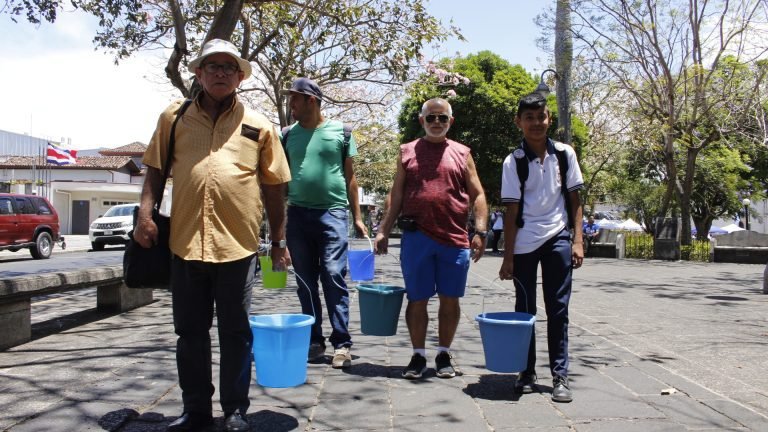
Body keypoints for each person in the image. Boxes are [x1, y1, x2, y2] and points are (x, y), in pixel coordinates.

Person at [134, 39, 291, 432]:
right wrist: (144, 215)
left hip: (237, 246)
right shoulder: (174, 117)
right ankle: (195, 410)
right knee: (190, 333)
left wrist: (279, 242)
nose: (220, 73)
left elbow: (275, 187)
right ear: (199, 73)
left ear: (240, 76)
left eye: (228, 67)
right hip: (185, 243)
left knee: (236, 332)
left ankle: (235, 409)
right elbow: (154, 168)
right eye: (212, 66)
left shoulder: (259, 124)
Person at [374, 97, 488, 380]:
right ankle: (418, 355)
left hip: (454, 239)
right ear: (421, 121)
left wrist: (481, 230)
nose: (437, 122)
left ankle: (444, 352)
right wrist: (383, 230)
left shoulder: (463, 153)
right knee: (417, 299)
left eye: (442, 117)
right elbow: (396, 195)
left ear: (451, 121)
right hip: (417, 238)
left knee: (450, 300)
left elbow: (479, 194)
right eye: (431, 117)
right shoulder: (407, 152)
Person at [498, 92, 584, 403]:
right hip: (523, 242)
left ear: (549, 119)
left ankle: (560, 375)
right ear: (519, 122)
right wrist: (507, 257)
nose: (536, 123)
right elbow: (510, 211)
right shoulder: (514, 162)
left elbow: (575, 200)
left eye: (541, 117)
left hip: (558, 238)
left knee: (558, 309)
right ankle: (526, 371)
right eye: (529, 118)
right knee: (525, 309)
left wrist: (577, 240)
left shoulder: (565, 154)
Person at [280, 77, 368, 369]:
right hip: (297, 215)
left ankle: (342, 342)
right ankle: (314, 340)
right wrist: (277, 225)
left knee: (332, 274)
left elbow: (350, 177)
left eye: (294, 98)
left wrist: (357, 217)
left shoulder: (341, 132)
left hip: (333, 213)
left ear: (311, 101)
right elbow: (279, 182)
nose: (290, 104)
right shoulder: (286, 135)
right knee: (305, 281)